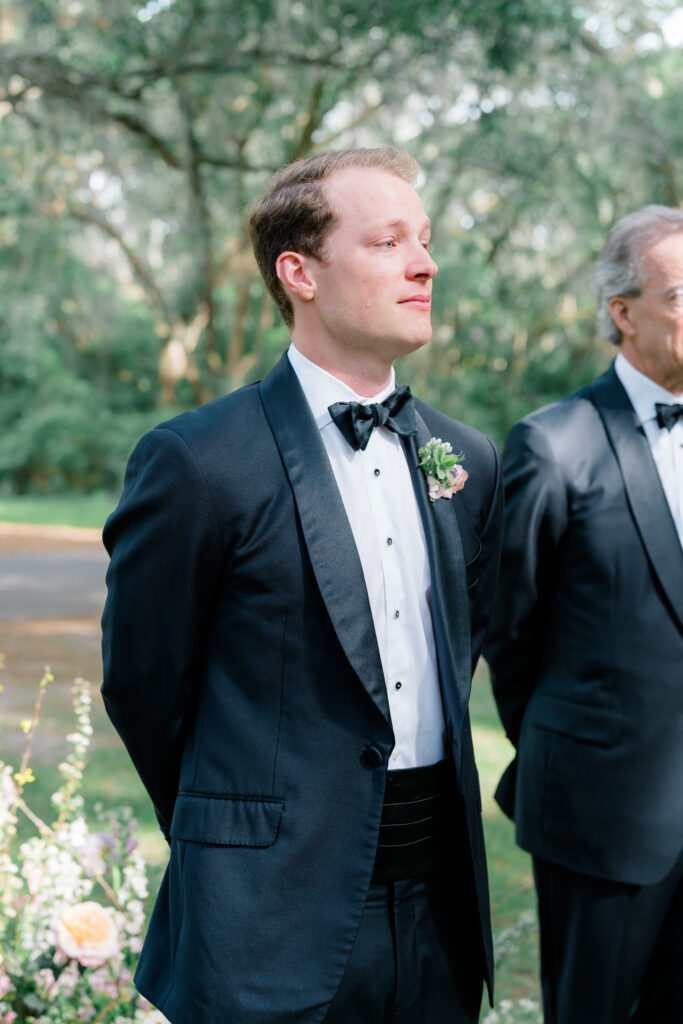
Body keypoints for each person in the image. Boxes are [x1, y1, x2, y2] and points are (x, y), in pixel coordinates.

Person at [101, 147, 504, 1024]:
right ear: (300, 272)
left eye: (425, 241)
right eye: (388, 241)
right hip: (266, 916)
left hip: (439, 913)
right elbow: (143, 686)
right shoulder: (200, 463)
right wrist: (240, 834)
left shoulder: (465, 460)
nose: (425, 263)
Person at [485, 204, 683, 1024]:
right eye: (681, 295)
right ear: (623, 312)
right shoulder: (553, 444)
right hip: (601, 818)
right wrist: (577, 744)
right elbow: (509, 630)